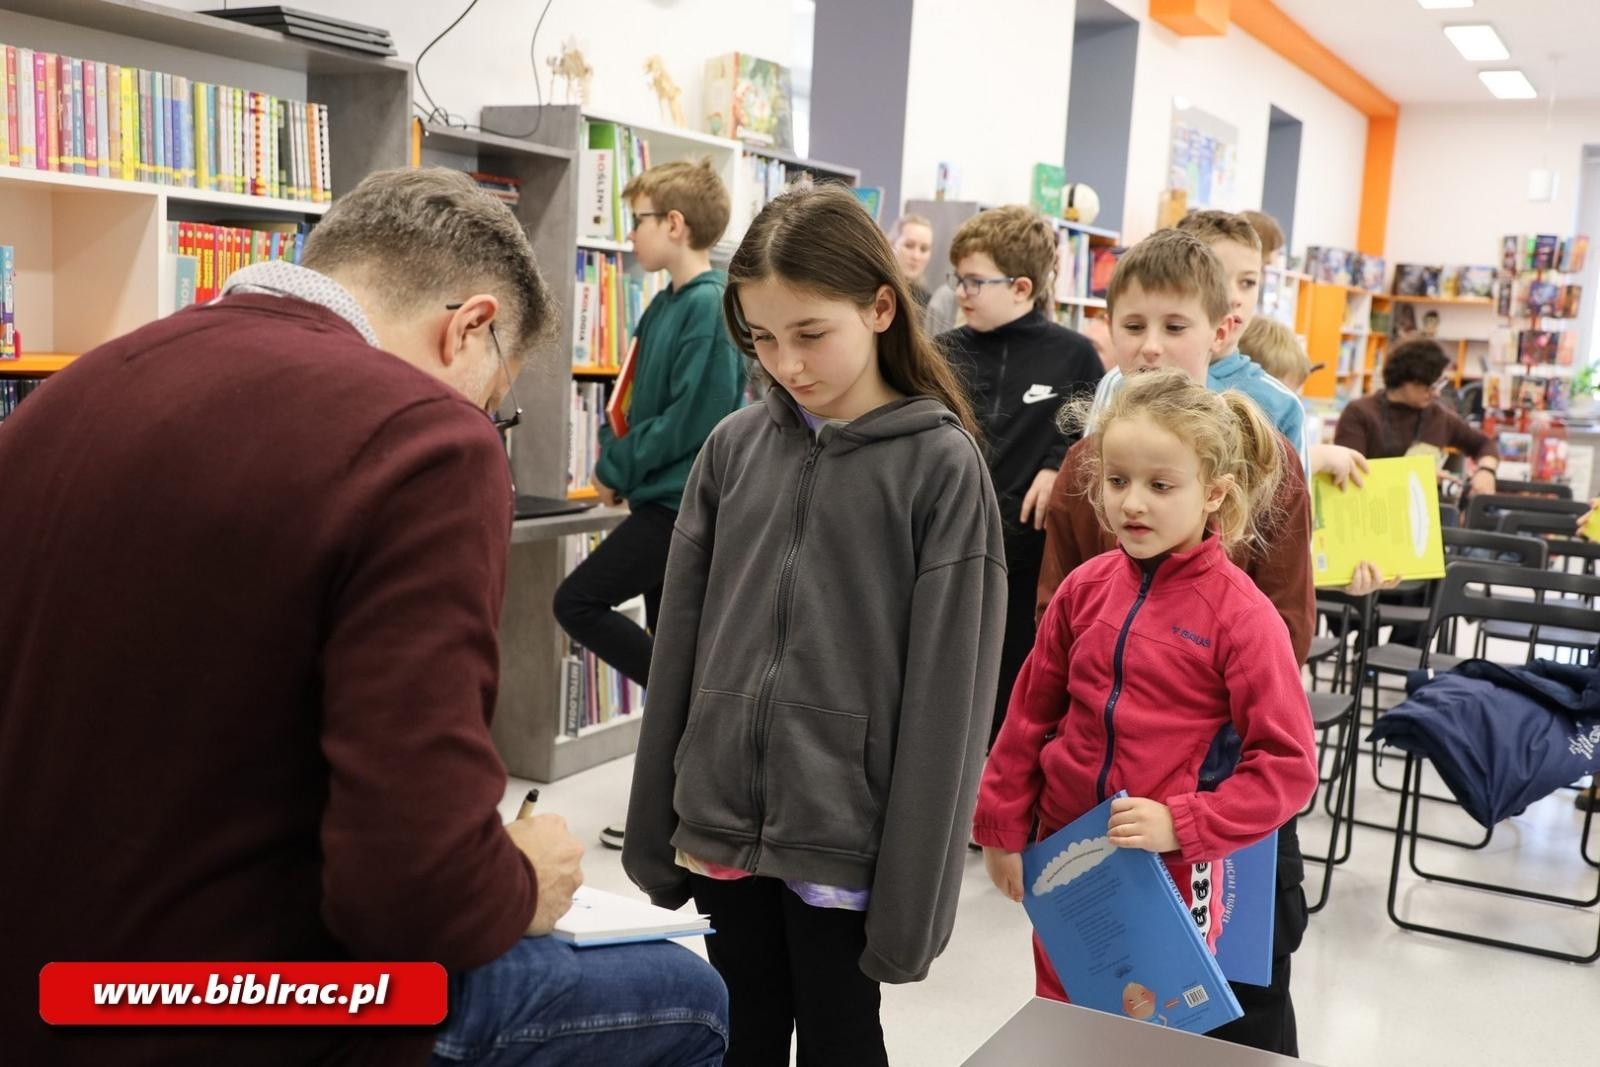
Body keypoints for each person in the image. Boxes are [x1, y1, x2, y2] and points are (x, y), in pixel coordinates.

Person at [0, 168, 728, 1067]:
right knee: (691, 998)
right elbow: (415, 900)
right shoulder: (423, 440)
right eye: (495, 400)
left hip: (38, 982)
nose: (485, 422)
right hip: (217, 1009)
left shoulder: (74, 391)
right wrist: (519, 876)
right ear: (469, 326)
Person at [623, 184, 1006, 1066]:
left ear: (880, 308)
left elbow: (949, 700)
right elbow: (679, 647)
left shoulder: (940, 467)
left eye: (809, 333)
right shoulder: (733, 448)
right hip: (722, 821)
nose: (787, 363)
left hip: (844, 836)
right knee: (739, 1034)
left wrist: (914, 896)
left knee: (841, 1037)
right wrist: (656, 826)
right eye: (762, 338)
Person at [1035, 228, 1316, 1056]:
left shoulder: (1266, 458)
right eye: (1133, 326)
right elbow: (1056, 626)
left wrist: (1193, 757)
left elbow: (1287, 625)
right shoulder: (1087, 463)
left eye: (1174, 326)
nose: (1151, 346)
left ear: (1221, 331)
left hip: (1224, 795)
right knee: (1102, 1002)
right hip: (1101, 809)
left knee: (1239, 1003)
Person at [975, 368, 1318, 1023]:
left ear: (1214, 492)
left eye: (1160, 486)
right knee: (1066, 1018)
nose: (1132, 503)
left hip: (1167, 872)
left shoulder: (1242, 617)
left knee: (1156, 1034)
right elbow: (1028, 716)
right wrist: (1001, 826)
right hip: (1068, 856)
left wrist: (1184, 824)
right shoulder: (1083, 589)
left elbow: (1289, 765)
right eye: (1117, 481)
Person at [552, 159, 745, 849]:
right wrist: (615, 455)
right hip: (655, 498)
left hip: (681, 508)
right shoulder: (665, 303)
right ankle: (669, 812)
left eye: (636, 220)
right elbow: (632, 399)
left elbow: (692, 421)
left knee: (577, 601)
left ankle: (680, 713)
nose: (628, 233)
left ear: (675, 224)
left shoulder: (709, 307)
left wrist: (614, 465)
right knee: (670, 642)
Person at [939, 204, 1103, 743]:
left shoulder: (1075, 355)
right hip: (948, 540)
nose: (961, 292)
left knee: (1014, 684)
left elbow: (1091, 431)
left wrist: (1058, 465)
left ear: (1021, 287)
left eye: (974, 281)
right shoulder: (942, 352)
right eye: (958, 278)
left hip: (1027, 553)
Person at [1090, 211, 1309, 475]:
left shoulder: (1281, 405)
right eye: (1217, 276)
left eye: (1248, 282)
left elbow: (1294, 497)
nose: (1233, 297)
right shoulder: (1121, 380)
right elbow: (1088, 478)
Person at [1333, 336, 1500, 498]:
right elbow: (1349, 472)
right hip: (1370, 507)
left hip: (1420, 511)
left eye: (1438, 384)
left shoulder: (1438, 416)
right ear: (1406, 381)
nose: (1436, 393)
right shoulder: (1360, 413)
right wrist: (1415, 477)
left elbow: (1484, 444)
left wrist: (1486, 471)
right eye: (1429, 386)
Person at [888, 213, 935, 308]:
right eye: (909, 246)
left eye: (923, 249)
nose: (916, 256)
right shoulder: (873, 290)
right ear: (892, 246)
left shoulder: (928, 304)